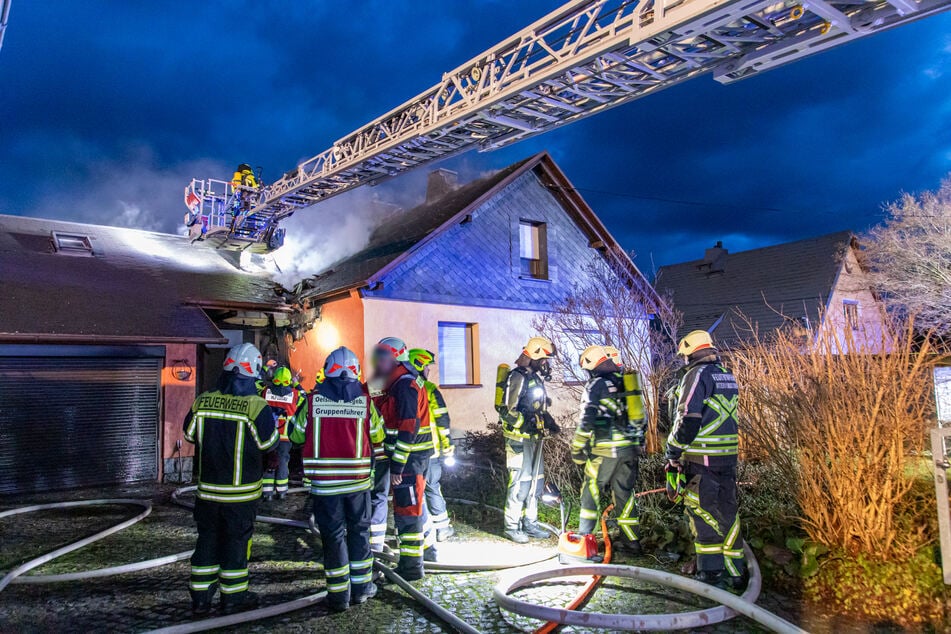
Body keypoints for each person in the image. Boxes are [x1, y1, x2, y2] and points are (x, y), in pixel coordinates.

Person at [183, 343, 278, 615]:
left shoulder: (203, 400)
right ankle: (233, 598)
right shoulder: (256, 405)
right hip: (241, 494)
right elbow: (268, 442)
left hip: (208, 492)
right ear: (253, 375)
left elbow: (189, 434)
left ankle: (200, 599)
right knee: (236, 544)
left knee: (207, 542)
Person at [289, 347, 384, 612]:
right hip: (358, 483)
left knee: (333, 537)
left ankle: (339, 596)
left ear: (327, 371)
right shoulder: (365, 402)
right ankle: (362, 589)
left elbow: (295, 436)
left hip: (325, 485)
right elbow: (377, 435)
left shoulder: (310, 401)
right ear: (355, 373)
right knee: (359, 533)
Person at [666, 330, 746, 590]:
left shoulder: (695, 375)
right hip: (728, 459)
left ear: (690, 353)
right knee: (728, 512)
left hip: (703, 459)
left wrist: (673, 451)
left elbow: (689, 417)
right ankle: (736, 572)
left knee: (702, 512)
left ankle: (710, 573)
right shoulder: (727, 375)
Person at [368, 337, 435, 580]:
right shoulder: (393, 381)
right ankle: (425, 554)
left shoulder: (405, 384)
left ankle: (412, 567)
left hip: (409, 458)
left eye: (381, 358)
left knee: (408, 512)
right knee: (410, 508)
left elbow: (408, 427)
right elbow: (371, 399)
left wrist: (397, 465)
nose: (377, 362)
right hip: (407, 456)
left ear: (395, 358)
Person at [570, 345, 647, 554]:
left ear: (592, 365)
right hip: (629, 450)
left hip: (605, 451)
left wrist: (577, 447)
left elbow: (587, 418)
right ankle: (631, 542)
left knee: (591, 492)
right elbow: (641, 417)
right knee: (624, 494)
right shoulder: (627, 382)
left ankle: (585, 540)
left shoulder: (596, 385)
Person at [498, 336, 560, 543]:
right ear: (533, 355)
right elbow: (507, 411)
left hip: (535, 439)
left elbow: (536, 408)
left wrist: (547, 421)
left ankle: (530, 523)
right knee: (519, 484)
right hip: (519, 440)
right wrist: (526, 422)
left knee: (535, 483)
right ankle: (512, 526)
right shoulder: (517, 377)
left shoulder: (534, 377)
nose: (545, 363)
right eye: (543, 359)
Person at [408, 348, 456, 542]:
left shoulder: (401, 387)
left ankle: (422, 529)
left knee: (415, 490)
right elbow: (442, 420)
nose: (428, 370)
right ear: (419, 365)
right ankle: (442, 528)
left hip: (409, 452)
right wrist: (448, 448)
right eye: (427, 366)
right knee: (432, 487)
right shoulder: (429, 389)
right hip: (431, 452)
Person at [259, 366, 305, 501]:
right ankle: (282, 491)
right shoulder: (295, 394)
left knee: (269, 462)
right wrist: (296, 383)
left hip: (268, 436)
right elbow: (304, 396)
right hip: (285, 437)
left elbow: (257, 386)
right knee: (283, 462)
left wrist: (265, 367)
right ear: (288, 380)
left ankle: (267, 493)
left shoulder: (266, 392)